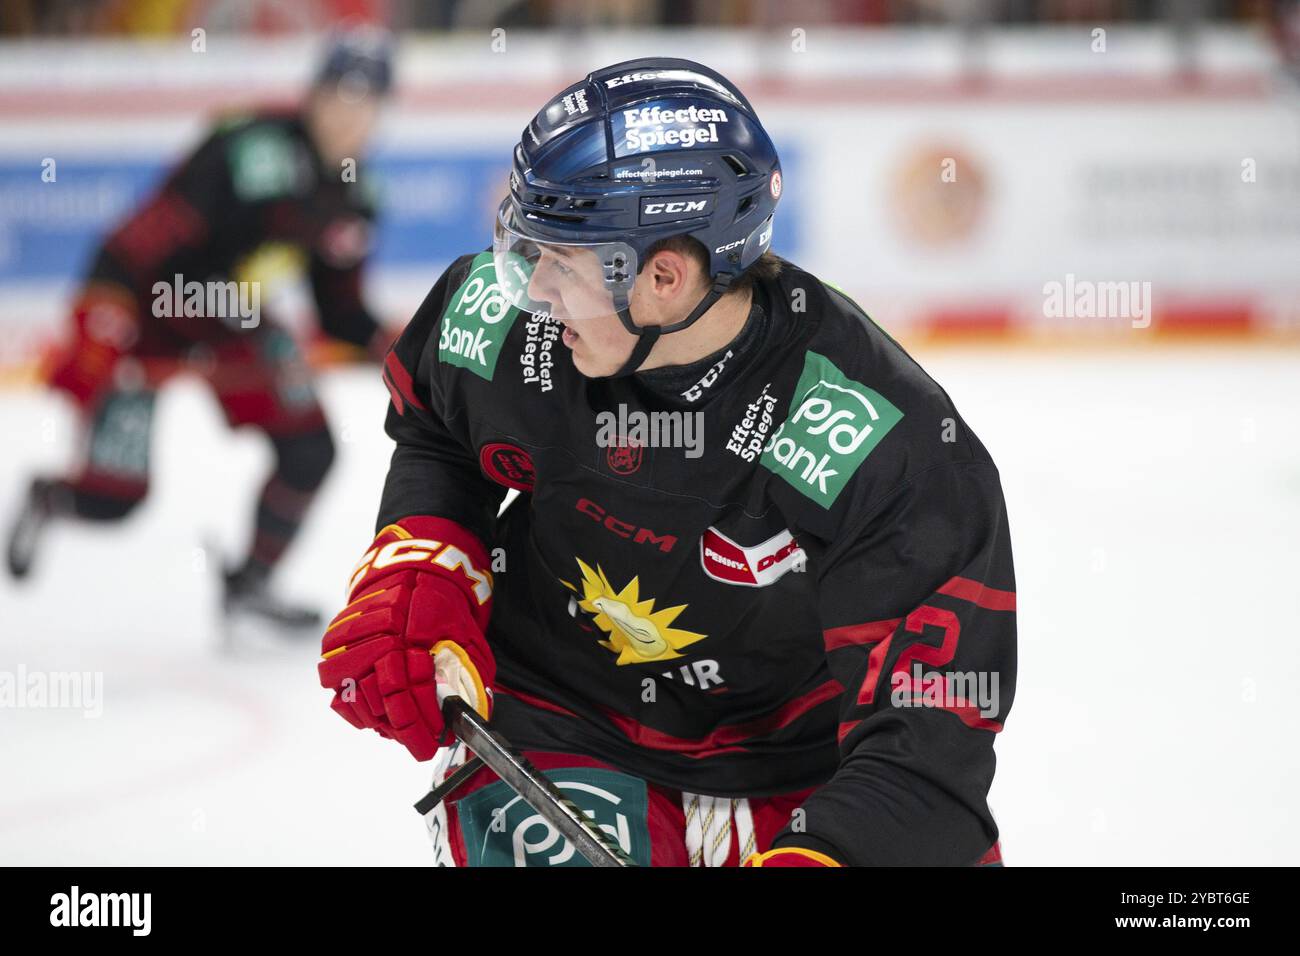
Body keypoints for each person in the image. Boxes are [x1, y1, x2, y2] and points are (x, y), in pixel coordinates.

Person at [318, 58, 1017, 866]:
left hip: (809, 775)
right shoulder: (507, 323)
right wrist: (426, 561)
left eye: (563, 260)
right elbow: (438, 427)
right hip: (558, 721)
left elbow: (929, 734)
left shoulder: (875, 438)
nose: (533, 289)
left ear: (664, 276)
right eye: (527, 246)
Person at [6, 30, 397, 629]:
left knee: (310, 447)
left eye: (369, 104)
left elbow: (338, 309)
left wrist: (398, 347)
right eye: (343, 97)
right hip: (148, 315)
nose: (353, 118)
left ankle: (252, 585)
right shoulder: (248, 148)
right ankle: (50, 498)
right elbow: (144, 242)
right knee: (114, 498)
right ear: (314, 94)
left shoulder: (356, 195)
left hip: (229, 323)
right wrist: (102, 311)